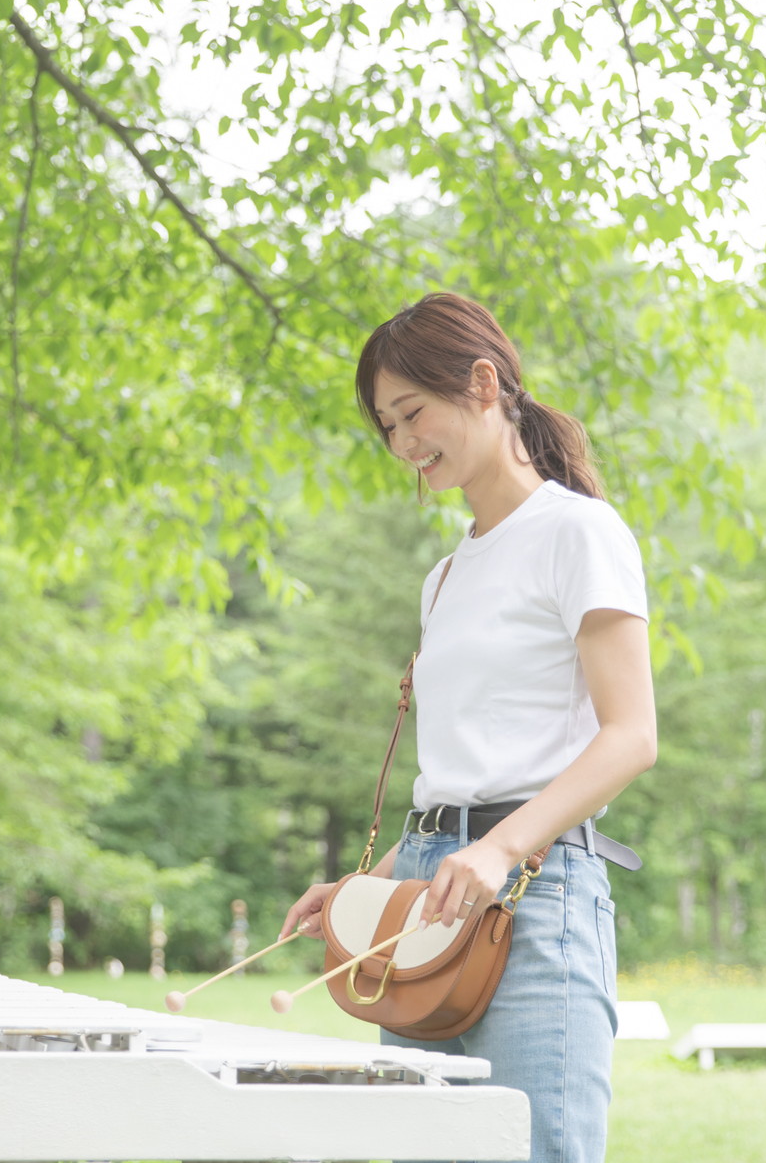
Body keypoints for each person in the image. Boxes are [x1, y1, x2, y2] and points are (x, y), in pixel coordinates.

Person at [280, 292, 658, 1163]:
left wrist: (498, 851)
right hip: (425, 900)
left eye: (413, 412)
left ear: (484, 384)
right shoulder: (444, 576)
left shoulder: (579, 532)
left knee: (539, 1151)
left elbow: (631, 735)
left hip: (534, 900)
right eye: (386, 426)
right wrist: (363, 889)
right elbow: (458, 778)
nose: (403, 443)